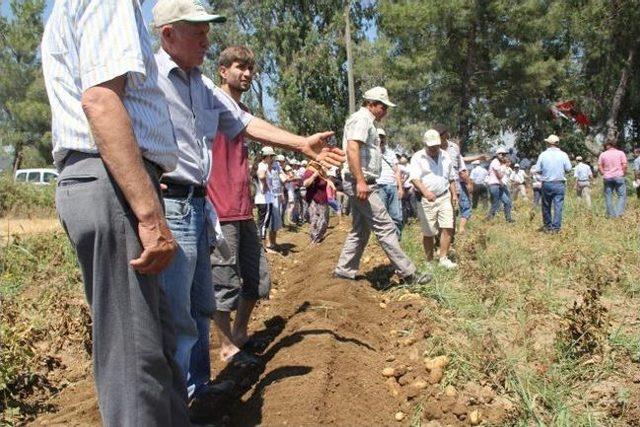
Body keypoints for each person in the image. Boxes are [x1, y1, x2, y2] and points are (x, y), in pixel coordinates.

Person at [42, 1, 189, 424]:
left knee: (154, 345)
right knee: (134, 358)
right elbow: (102, 102)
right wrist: (148, 215)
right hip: (113, 183)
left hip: (112, 181)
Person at [204, 45, 344, 383]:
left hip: (243, 208)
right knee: (224, 282)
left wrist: (301, 146)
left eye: (250, 68)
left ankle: (239, 334)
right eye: (239, 67)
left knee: (257, 279)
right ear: (223, 71)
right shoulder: (209, 101)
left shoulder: (245, 110)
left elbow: (255, 130)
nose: (247, 74)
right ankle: (226, 347)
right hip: (219, 209)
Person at [334, 87, 431, 285]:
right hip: (359, 182)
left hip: (362, 181)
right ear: (370, 104)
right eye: (382, 106)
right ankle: (408, 273)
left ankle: (344, 271)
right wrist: (360, 181)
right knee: (385, 226)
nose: (385, 111)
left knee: (360, 230)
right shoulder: (361, 120)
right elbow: (353, 148)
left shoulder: (367, 121)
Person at [409, 129, 458, 269]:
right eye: (431, 147)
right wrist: (426, 192)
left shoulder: (446, 156)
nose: (434, 149)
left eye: (436, 146)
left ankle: (443, 258)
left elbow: (451, 177)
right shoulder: (418, 157)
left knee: (447, 227)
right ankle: (429, 261)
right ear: (425, 144)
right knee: (429, 232)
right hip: (426, 200)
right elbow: (414, 178)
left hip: (444, 196)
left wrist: (454, 194)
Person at [534, 134, 572, 232]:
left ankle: (548, 226)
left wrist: (545, 171)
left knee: (546, 205)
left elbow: (537, 169)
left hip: (547, 183)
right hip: (559, 183)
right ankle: (556, 228)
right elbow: (568, 168)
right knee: (558, 206)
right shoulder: (563, 154)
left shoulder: (543, 155)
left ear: (548, 143)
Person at [376, 128, 404, 237]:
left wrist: (400, 188)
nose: (380, 139)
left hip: (392, 186)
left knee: (396, 214)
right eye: (378, 137)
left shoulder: (391, 153)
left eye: (382, 137)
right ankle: (384, 238)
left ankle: (397, 237)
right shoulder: (371, 153)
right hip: (379, 186)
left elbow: (397, 171)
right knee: (381, 215)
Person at [598, 140, 627, 218]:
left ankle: (611, 215)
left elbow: (600, 166)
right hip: (619, 176)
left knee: (608, 196)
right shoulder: (621, 153)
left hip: (607, 177)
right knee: (621, 195)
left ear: (607, 146)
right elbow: (624, 165)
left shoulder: (603, 154)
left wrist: (603, 173)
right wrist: (623, 173)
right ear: (614, 145)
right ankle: (618, 213)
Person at [303, 164, 330, 243]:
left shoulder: (323, 172)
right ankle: (314, 239)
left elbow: (328, 182)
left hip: (323, 199)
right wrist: (314, 176)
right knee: (314, 219)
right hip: (313, 199)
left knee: (324, 220)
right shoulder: (309, 172)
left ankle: (319, 237)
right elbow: (305, 184)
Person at [486, 147, 514, 223]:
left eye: (505, 155)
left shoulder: (497, 163)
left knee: (507, 201)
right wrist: (505, 166)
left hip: (498, 185)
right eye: (503, 154)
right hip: (494, 185)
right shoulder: (495, 162)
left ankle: (509, 219)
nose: (504, 156)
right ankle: (488, 219)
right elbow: (500, 176)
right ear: (498, 154)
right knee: (495, 204)